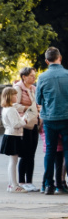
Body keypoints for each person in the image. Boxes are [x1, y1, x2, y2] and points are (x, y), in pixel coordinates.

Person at [36, 47, 68, 194]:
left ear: (47, 61)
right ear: (59, 58)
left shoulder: (42, 77)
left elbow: (38, 100)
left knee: (50, 151)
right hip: (66, 117)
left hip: (49, 118)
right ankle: (63, 183)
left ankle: (49, 185)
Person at [0, 87, 34, 192]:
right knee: (13, 161)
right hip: (13, 136)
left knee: (12, 161)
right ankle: (14, 185)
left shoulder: (8, 108)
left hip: (10, 135)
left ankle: (11, 184)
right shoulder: (10, 109)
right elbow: (16, 124)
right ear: (10, 96)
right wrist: (25, 120)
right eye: (14, 95)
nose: (16, 96)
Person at [14, 67, 40, 191]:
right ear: (24, 76)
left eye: (34, 76)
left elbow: (37, 104)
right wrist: (27, 108)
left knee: (32, 153)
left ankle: (29, 181)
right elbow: (14, 105)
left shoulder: (33, 89)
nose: (33, 78)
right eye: (31, 76)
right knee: (25, 153)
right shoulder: (18, 88)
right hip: (24, 124)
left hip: (34, 123)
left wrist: (38, 108)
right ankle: (22, 181)